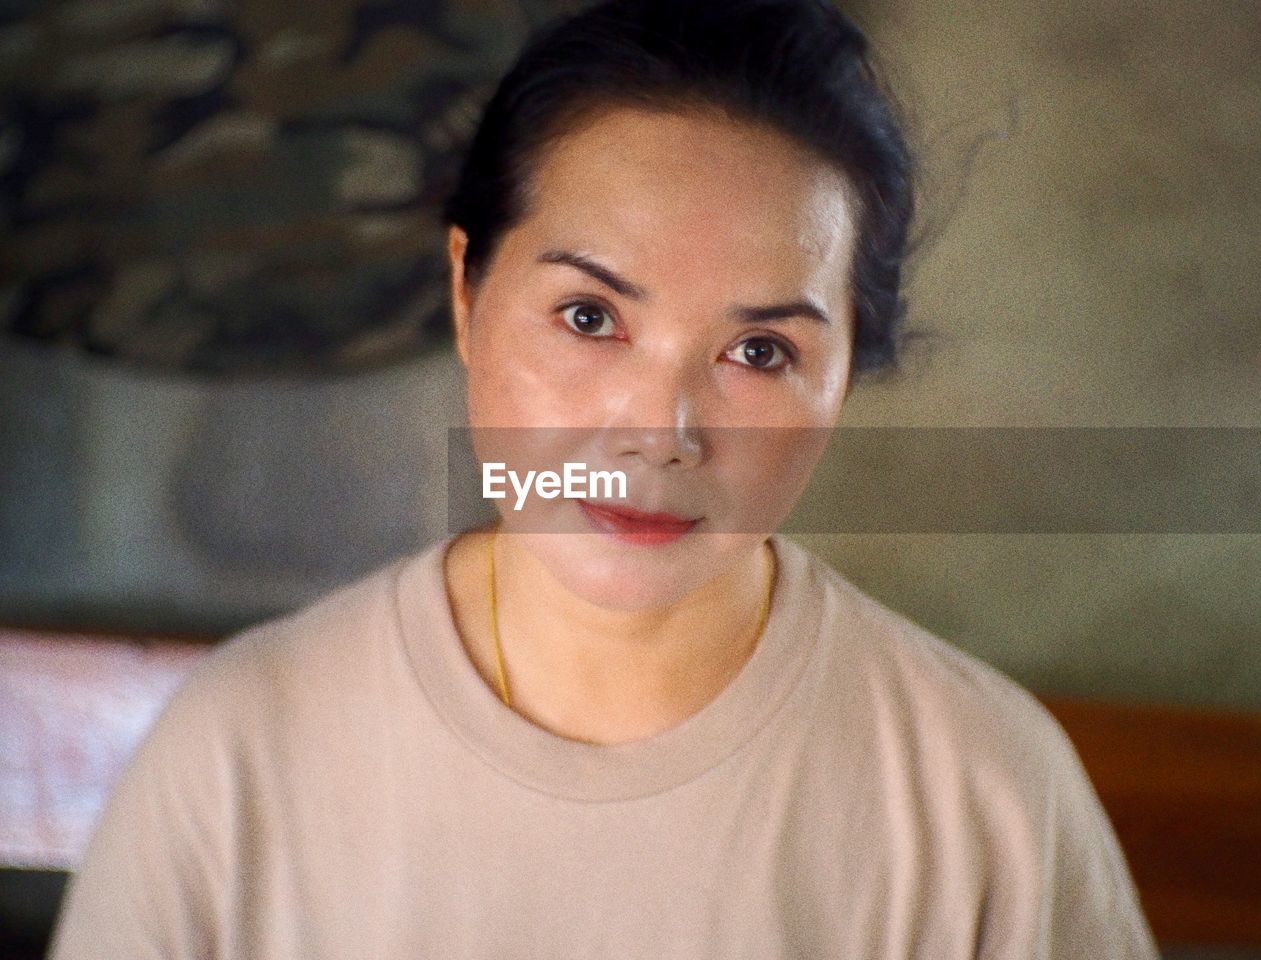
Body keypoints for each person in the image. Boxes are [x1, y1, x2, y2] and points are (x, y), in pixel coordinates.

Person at [49, 0, 1160, 956]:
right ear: (466, 292)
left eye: (759, 352)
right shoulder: (237, 754)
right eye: (589, 317)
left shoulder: (982, 798)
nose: (657, 432)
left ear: (843, 373)